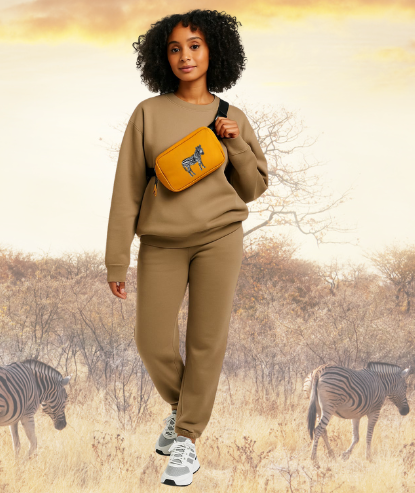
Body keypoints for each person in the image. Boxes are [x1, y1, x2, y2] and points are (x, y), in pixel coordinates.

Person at [104, 9, 269, 487]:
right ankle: (185, 410)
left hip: (220, 237)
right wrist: (117, 257)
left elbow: (254, 188)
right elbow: (125, 190)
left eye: (194, 45)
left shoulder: (231, 116)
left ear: (213, 49)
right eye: (175, 48)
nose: (185, 56)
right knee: (151, 340)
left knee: (205, 342)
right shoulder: (148, 114)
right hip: (160, 242)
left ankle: (187, 441)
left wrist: (236, 144)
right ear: (163, 56)